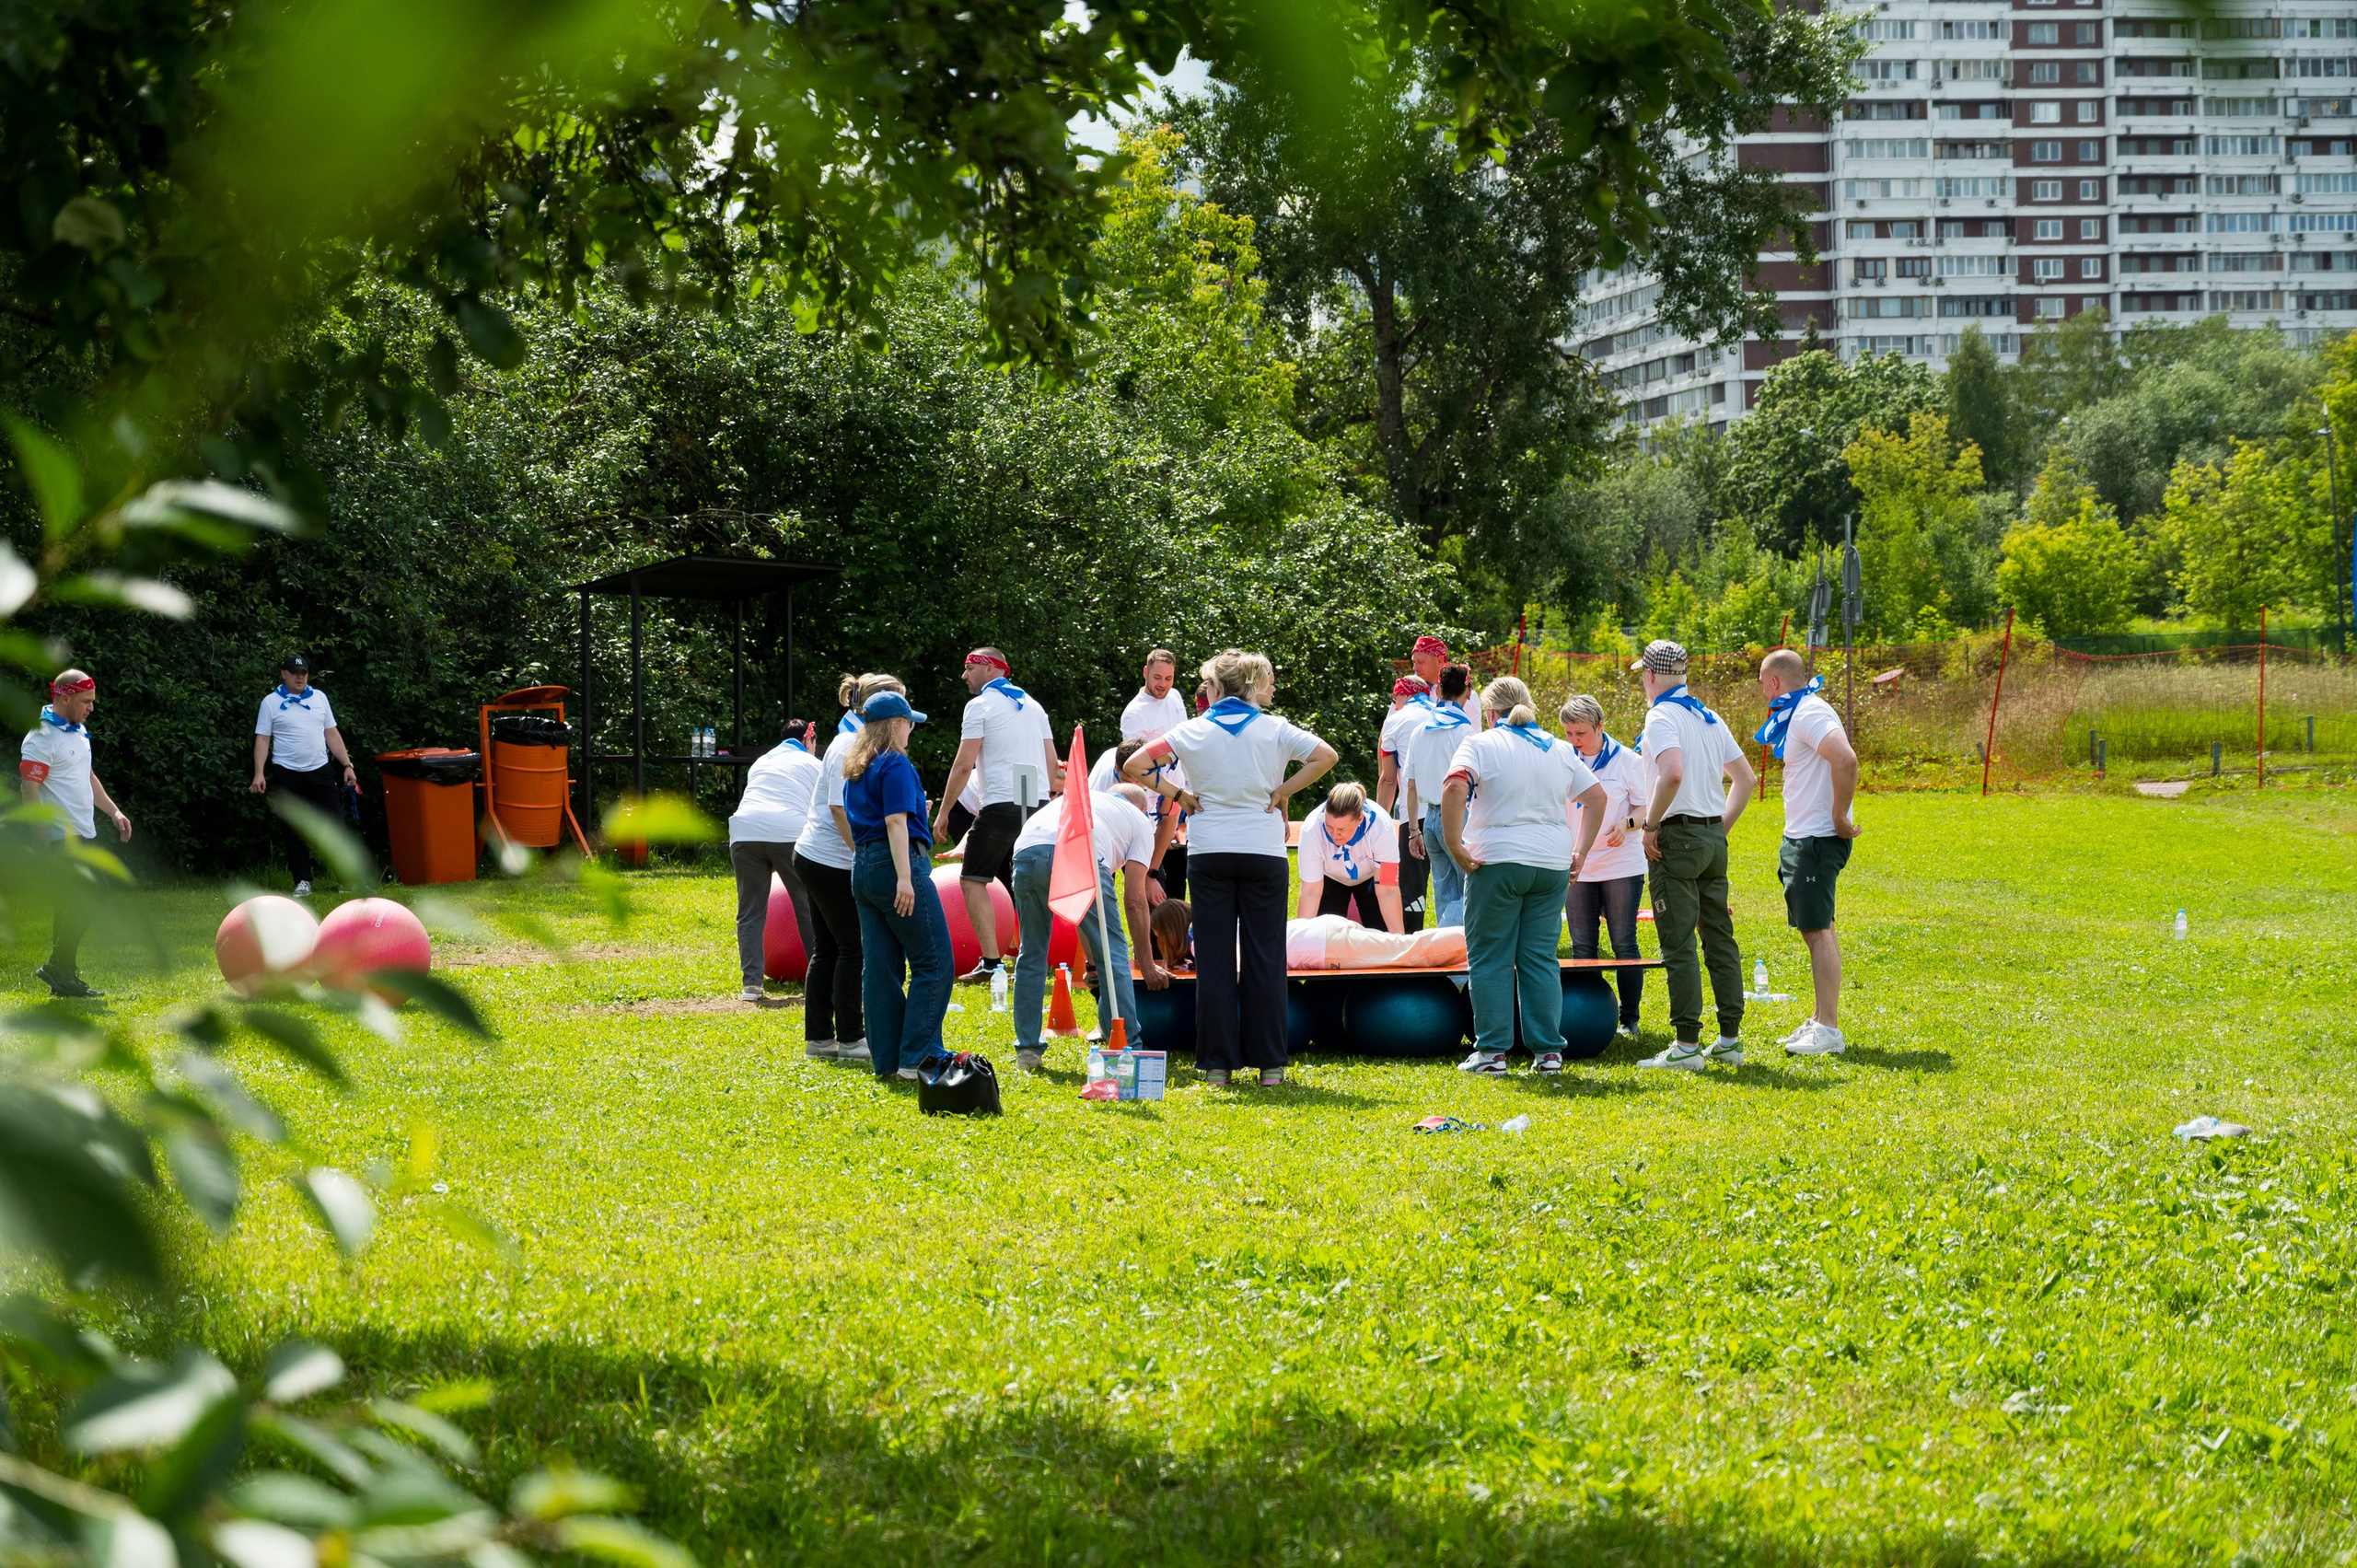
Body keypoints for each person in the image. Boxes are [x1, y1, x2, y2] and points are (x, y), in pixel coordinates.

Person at [1126, 649, 1335, 1088]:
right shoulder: (1275, 728)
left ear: (1217, 688)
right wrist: (1283, 791)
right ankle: (1270, 1066)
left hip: (1210, 852)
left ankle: (1218, 1066)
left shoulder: (1191, 729)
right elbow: (1326, 756)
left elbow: (1134, 765)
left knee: (1215, 959)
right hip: (1263, 853)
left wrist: (1179, 796)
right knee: (1266, 958)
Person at [1441, 676, 1607, 1075]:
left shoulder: (1481, 744)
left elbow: (1454, 787)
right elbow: (1598, 797)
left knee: (1490, 957)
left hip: (1497, 860)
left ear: (1490, 712)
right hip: (1551, 863)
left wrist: (1453, 843)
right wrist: (1581, 851)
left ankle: (1492, 1052)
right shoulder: (1560, 748)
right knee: (1540, 959)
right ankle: (1548, 1053)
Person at [1630, 640, 1758, 1072]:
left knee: (1679, 940)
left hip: (1676, 836)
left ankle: (1686, 1045)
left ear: (1650, 676)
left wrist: (1650, 826)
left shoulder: (1661, 716)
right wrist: (1719, 829)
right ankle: (1729, 1040)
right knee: (1719, 937)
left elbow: (1671, 774)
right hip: (1711, 837)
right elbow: (1745, 779)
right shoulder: (1709, 716)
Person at [1007, 772, 1170, 1070]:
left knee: (1031, 953)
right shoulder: (1139, 820)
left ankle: (1027, 1050)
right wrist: (1146, 965)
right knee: (1113, 956)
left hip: (1027, 851)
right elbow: (1135, 901)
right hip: (1080, 855)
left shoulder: (1086, 800)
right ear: (1141, 808)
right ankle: (1127, 1046)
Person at [794, 673, 906, 1065]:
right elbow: (838, 808)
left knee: (828, 948)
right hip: (830, 860)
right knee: (851, 948)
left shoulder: (852, 738)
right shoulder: (849, 743)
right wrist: (862, 854)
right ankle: (851, 1038)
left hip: (817, 856)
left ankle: (819, 1038)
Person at [1756, 648, 1864, 1057]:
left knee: (1818, 932)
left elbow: (1846, 759)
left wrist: (1839, 816)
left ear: (1775, 682)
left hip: (1817, 838)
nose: (1762, 691)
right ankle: (1819, 1019)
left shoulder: (1808, 713)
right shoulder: (1802, 711)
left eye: (1763, 683)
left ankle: (1829, 1029)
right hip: (1805, 837)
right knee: (1819, 927)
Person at [843, 689, 953, 1082]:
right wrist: (905, 878)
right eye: (909, 723)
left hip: (863, 867)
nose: (912, 730)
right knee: (934, 962)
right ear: (895, 724)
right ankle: (917, 1058)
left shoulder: (856, 768)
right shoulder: (895, 763)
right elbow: (894, 822)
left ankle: (887, 1061)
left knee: (880, 968)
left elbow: (877, 817)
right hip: (897, 865)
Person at [934, 648, 1059, 985]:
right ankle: (1037, 958)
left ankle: (991, 962)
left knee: (973, 880)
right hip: (1036, 803)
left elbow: (964, 765)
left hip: (1001, 803)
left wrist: (943, 812)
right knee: (1032, 882)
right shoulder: (1033, 705)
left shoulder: (979, 706)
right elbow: (1051, 764)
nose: (964, 676)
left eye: (969, 668)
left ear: (989, 669)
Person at [19, 669, 133, 998]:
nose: (91, 708)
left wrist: (114, 811)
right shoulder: (41, 737)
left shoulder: (77, 730)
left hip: (83, 831)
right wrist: (40, 841)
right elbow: (29, 790)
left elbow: (87, 775)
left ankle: (63, 974)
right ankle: (59, 967)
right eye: (86, 701)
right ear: (65, 698)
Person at [1560, 692, 1651, 1039]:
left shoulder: (1628, 761)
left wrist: (1627, 824)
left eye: (1581, 733)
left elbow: (1646, 807)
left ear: (1600, 726)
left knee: (1623, 942)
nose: (1575, 740)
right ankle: (1589, 1017)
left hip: (1621, 865)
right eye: (1568, 733)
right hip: (1576, 865)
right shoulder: (1561, 758)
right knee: (1583, 947)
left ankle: (1629, 1019)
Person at [728, 716, 822, 1005]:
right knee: (807, 906)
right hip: (788, 832)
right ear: (808, 739)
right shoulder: (812, 764)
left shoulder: (760, 762)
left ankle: (751, 984)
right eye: (815, 742)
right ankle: (819, 980)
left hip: (744, 832)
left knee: (749, 911)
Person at [249, 655, 358, 896]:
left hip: (320, 770)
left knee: (334, 825)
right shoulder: (270, 702)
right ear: (284, 674)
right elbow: (263, 739)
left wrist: (347, 765)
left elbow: (332, 734)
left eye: (304, 673)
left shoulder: (319, 698)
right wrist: (259, 774)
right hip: (287, 772)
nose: (300, 678)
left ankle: (346, 881)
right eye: (295, 673)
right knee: (293, 829)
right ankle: (303, 881)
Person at [1401, 663, 1476, 928]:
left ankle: (1447, 951)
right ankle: (1441, 936)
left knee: (1445, 893)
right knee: (1470, 891)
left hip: (1429, 820)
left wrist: (1413, 830)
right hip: (1457, 817)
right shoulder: (1465, 732)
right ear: (1468, 691)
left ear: (1438, 690)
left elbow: (1410, 785)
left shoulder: (1420, 730)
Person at [1121, 649, 1191, 902]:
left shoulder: (1175, 697)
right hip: (1149, 806)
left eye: (1169, 678)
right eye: (1157, 677)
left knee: (1176, 886)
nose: (1163, 684)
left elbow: (1185, 741)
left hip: (1177, 798)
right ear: (1145, 672)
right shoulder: (1135, 714)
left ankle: (1173, 930)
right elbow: (1136, 768)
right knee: (1151, 885)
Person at [1295, 781, 1403, 933]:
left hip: (1370, 877)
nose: (1334, 835)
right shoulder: (1311, 829)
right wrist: (1300, 937)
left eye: (1342, 829)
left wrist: (1399, 939)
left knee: (1382, 935)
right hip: (1330, 878)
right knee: (1323, 934)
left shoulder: (1382, 827)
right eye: (1329, 827)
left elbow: (1388, 890)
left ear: (1360, 819)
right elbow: (1310, 891)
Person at [1375, 675, 1431, 928]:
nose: (1394, 704)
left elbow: (1388, 780)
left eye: (1394, 698)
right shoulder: (1450, 717)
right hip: (1454, 811)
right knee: (1454, 886)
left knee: (1412, 890)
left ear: (1403, 695)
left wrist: (1380, 823)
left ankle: (1410, 942)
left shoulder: (1395, 721)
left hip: (1415, 814)